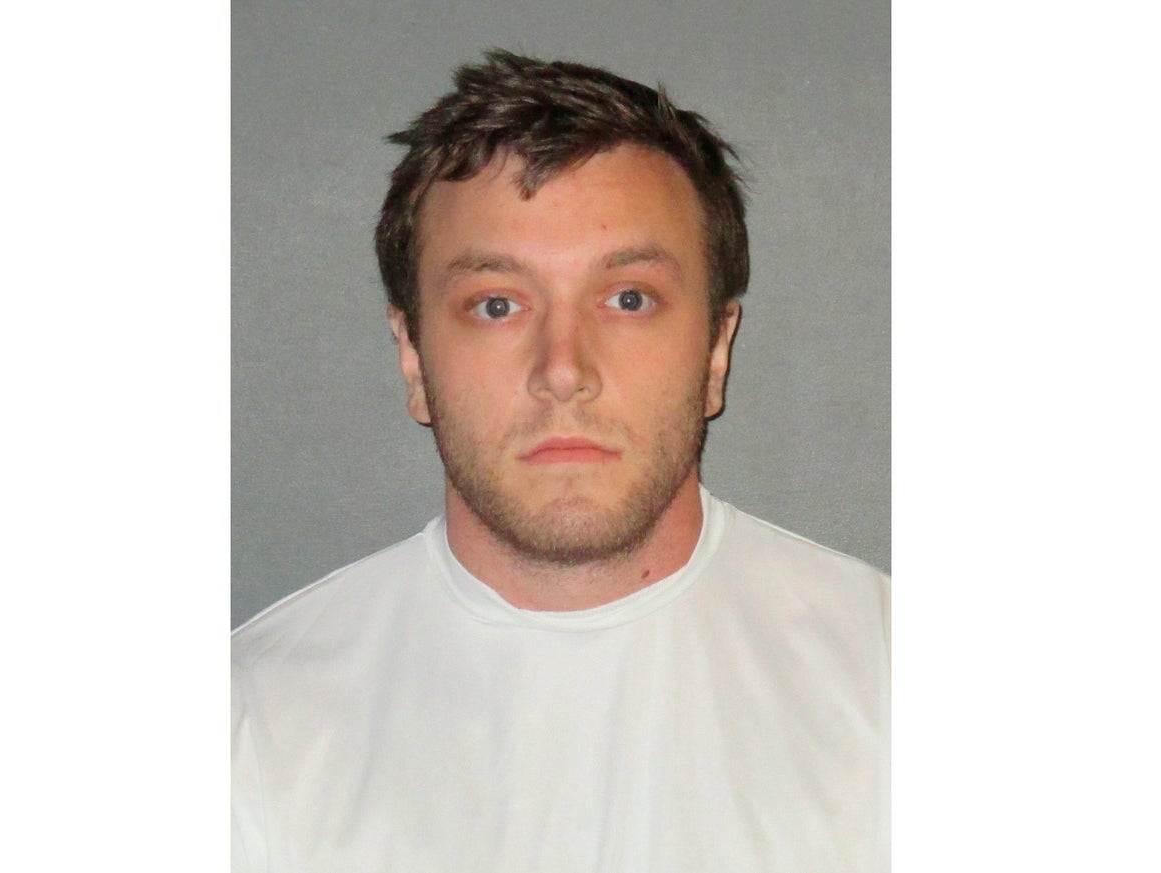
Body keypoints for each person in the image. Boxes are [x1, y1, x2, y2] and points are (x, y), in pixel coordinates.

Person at [232, 50, 889, 872]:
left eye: (629, 298)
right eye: (497, 304)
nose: (564, 369)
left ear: (717, 349)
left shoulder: (888, 683)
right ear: (413, 358)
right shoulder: (254, 722)